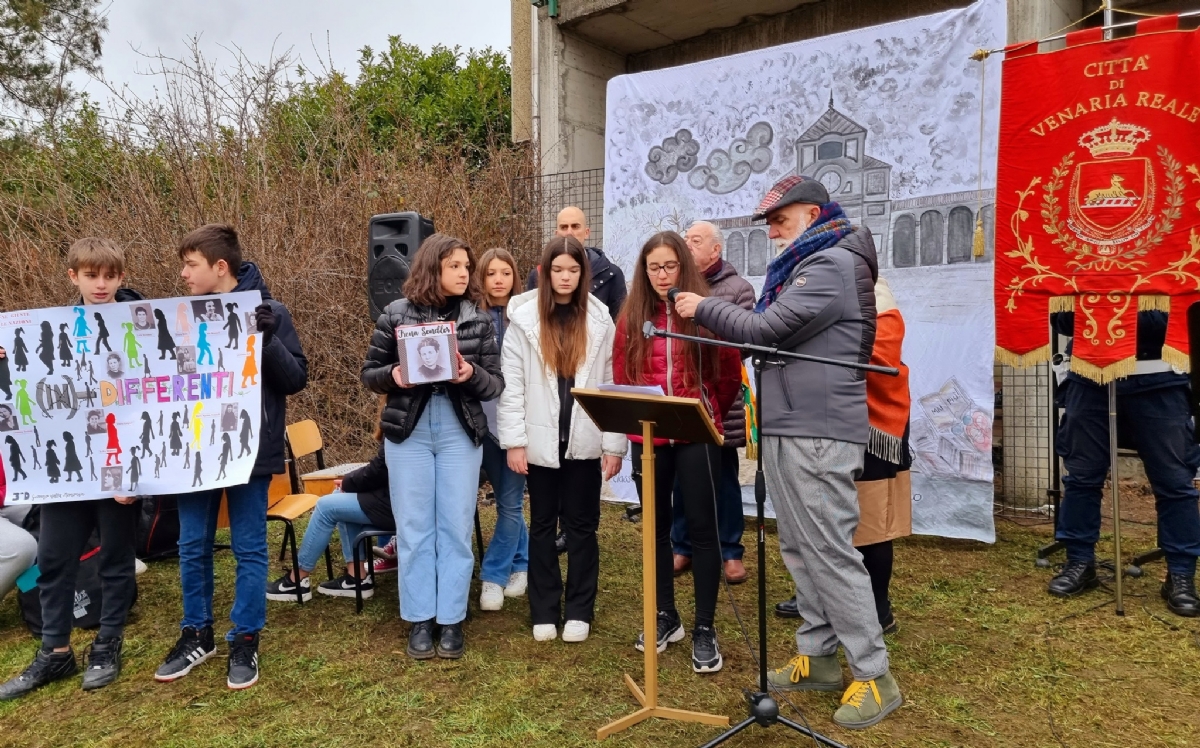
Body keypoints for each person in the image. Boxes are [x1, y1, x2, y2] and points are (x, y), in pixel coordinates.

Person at [673, 175, 901, 729]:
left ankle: (874, 673)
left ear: (814, 212)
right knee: (800, 547)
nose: (773, 230)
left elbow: (766, 330)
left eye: (781, 219)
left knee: (828, 549)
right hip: (791, 424)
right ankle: (820, 656)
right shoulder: (807, 264)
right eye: (770, 222)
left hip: (819, 430)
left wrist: (702, 307)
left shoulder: (831, 266)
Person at [154, 224, 308, 690]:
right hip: (193, 453)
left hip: (250, 450)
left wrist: (268, 339)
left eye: (190, 264)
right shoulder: (177, 316)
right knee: (192, 545)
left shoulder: (271, 311)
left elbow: (295, 379)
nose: (182, 274)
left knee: (248, 547)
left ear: (220, 268)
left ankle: (245, 638)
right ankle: (196, 633)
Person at [0, 238, 144, 700]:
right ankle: (55, 652)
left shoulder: (141, 325)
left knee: (115, 560)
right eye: (90, 276)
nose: (100, 285)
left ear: (121, 278)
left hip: (120, 467)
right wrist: (7, 365)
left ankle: (107, 646)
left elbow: (162, 403)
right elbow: (27, 397)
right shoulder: (51, 329)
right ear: (74, 277)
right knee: (56, 560)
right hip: (67, 470)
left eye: (109, 276)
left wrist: (138, 472)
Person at [362, 233, 503, 661]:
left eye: (466, 266)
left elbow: (495, 384)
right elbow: (370, 373)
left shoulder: (478, 319)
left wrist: (469, 374)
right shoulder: (395, 314)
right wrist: (395, 377)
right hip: (410, 432)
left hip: (460, 431)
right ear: (432, 268)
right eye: (455, 266)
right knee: (414, 525)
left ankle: (451, 618)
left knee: (456, 525)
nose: (464, 273)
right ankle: (421, 617)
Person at [611, 231, 742, 674]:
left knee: (704, 531)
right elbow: (623, 372)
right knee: (657, 529)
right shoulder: (631, 316)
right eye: (654, 267)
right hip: (648, 437)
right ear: (643, 272)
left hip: (696, 433)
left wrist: (705, 412)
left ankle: (705, 627)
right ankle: (666, 615)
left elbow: (727, 376)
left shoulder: (703, 313)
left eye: (670, 266)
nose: (662, 275)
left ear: (683, 266)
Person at [499, 237, 626, 643]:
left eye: (573, 270)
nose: (566, 277)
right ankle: (544, 609)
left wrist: (612, 444)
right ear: (545, 271)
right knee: (541, 525)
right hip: (539, 442)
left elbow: (610, 385)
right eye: (558, 270)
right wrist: (515, 442)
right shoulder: (523, 318)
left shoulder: (601, 318)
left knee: (582, 527)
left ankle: (579, 610)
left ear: (583, 273)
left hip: (585, 440)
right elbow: (512, 386)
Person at [774, 276, 912, 633]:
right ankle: (820, 598)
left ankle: (879, 608)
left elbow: (882, 352)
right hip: (821, 419)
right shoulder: (807, 285)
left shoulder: (872, 289)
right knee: (818, 516)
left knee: (870, 524)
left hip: (871, 422)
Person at [1047, 308, 1199, 617]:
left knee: (1174, 483)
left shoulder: (1175, 262)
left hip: (1161, 380)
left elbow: (1185, 315)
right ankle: (1079, 561)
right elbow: (1060, 318)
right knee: (1081, 478)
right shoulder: (1081, 262)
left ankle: (1180, 575)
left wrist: (1117, 311)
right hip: (1089, 379)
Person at [526, 207, 628, 555]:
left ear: (587, 232)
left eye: (574, 226)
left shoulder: (611, 275)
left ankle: (578, 531)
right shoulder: (535, 279)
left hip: (588, 373)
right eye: (561, 226)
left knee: (582, 497)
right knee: (546, 499)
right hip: (550, 400)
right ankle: (558, 532)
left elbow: (616, 326)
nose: (568, 231)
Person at [671, 221, 754, 586]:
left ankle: (730, 550)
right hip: (681, 397)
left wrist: (704, 315)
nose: (687, 245)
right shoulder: (673, 287)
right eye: (686, 239)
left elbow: (747, 341)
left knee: (722, 476)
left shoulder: (739, 289)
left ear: (715, 250)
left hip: (722, 398)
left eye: (696, 240)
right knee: (680, 477)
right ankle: (682, 545)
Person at [267, 402, 395, 602]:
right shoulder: (405, 410)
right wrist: (350, 483)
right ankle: (356, 578)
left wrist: (350, 481)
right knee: (340, 497)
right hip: (393, 497)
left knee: (327, 506)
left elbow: (380, 468)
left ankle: (297, 580)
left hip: (397, 503)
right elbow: (382, 466)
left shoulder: (401, 412)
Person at [474, 248, 529, 611]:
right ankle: (522, 562)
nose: (498, 280)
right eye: (491, 273)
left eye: (505, 273)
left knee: (509, 504)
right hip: (476, 426)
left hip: (516, 428)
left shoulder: (527, 317)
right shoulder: (469, 317)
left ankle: (494, 575)